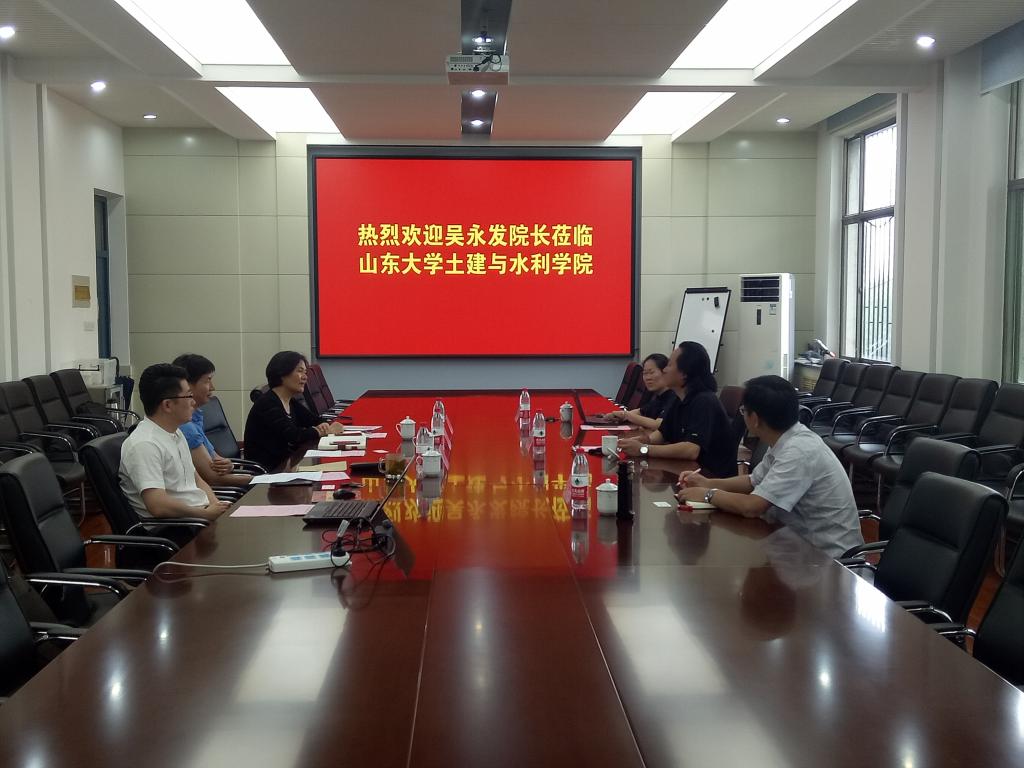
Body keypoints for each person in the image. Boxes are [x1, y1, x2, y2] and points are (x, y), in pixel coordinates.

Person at [676, 375, 864, 558]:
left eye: (744, 410)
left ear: (755, 419)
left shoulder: (799, 451)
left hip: (828, 560)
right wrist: (707, 482)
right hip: (794, 546)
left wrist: (708, 494)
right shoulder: (784, 437)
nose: (743, 415)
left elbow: (752, 507)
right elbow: (753, 481)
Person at [119, 363, 231, 520]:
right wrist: (205, 514)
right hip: (178, 526)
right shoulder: (145, 444)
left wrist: (217, 508)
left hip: (199, 517)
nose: (193, 402)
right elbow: (158, 505)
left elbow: (197, 480)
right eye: (188, 396)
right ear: (167, 405)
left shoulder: (176, 432)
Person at [619, 341, 736, 478]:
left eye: (669, 365)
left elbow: (691, 450)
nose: (664, 370)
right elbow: (662, 434)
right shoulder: (678, 397)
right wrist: (639, 441)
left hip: (711, 479)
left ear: (684, 373)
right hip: (686, 473)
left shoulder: (704, 401)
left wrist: (643, 449)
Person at [243, 351, 344, 471]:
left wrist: (324, 425)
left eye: (305, 372)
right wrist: (321, 431)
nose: (305, 377)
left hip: (285, 466)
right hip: (267, 472)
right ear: (282, 373)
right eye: (300, 371)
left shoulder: (290, 401)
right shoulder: (267, 403)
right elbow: (294, 436)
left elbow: (315, 420)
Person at [171, 353, 253, 488]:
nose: (212, 387)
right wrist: (258, 480)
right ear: (187, 385)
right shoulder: (185, 427)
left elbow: (216, 461)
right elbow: (213, 478)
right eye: (207, 380)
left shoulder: (195, 417)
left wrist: (229, 465)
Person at [607, 353, 675, 431]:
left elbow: (658, 425)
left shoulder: (674, 397)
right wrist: (619, 416)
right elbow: (641, 411)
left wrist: (626, 415)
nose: (648, 378)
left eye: (651, 373)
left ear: (666, 372)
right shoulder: (660, 396)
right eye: (645, 373)